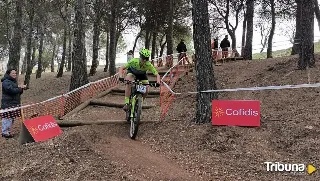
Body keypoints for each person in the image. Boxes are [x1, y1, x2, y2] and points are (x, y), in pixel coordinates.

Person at [1, 68, 26, 138]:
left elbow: (17, 92)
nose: (14, 74)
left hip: (13, 103)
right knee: (7, 117)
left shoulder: (13, 81)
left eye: (15, 73)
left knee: (11, 117)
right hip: (7, 103)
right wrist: (19, 88)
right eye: (13, 73)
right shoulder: (6, 81)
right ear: (9, 74)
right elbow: (11, 90)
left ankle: (7, 131)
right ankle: (5, 132)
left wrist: (21, 89)